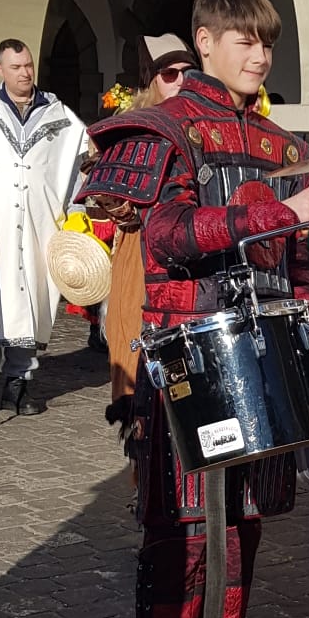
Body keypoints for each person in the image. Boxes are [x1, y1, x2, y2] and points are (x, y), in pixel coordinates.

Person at [79, 0, 309, 618]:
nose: (260, 55)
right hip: (185, 353)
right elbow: (166, 236)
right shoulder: (166, 128)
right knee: (180, 530)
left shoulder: (282, 145)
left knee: (245, 519)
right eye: (245, 40)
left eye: (267, 43)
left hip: (261, 349)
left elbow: (292, 254)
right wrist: (282, 212)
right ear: (204, 42)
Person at [0, 40, 86, 421]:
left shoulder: (58, 115)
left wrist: (76, 211)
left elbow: (76, 166)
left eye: (28, 65)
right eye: (16, 67)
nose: (25, 73)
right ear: (0, 70)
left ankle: (18, 383)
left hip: (39, 223)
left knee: (32, 296)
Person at [102, 36, 196, 427]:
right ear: (153, 79)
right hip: (142, 254)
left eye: (188, 73)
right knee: (137, 354)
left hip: (191, 256)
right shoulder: (136, 126)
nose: (181, 81)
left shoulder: (203, 122)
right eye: (170, 73)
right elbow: (116, 207)